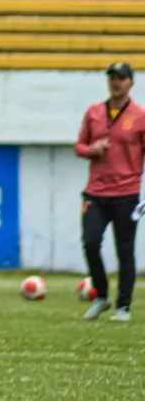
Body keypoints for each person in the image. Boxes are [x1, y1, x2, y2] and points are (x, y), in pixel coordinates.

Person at [76, 61, 145, 322]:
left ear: (131, 83)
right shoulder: (94, 112)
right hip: (95, 192)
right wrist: (90, 150)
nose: (116, 82)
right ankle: (102, 296)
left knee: (124, 250)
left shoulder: (140, 115)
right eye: (112, 77)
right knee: (90, 242)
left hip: (127, 193)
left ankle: (123, 306)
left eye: (121, 78)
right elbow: (79, 146)